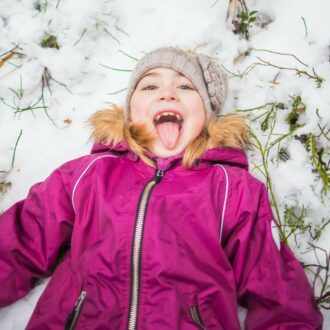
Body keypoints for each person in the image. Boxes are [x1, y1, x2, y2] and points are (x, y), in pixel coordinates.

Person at [0, 47, 323, 330]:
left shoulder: (232, 190)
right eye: (150, 85)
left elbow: (275, 287)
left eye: (185, 86)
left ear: (206, 117)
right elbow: (21, 240)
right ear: (129, 113)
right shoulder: (88, 176)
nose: (167, 94)